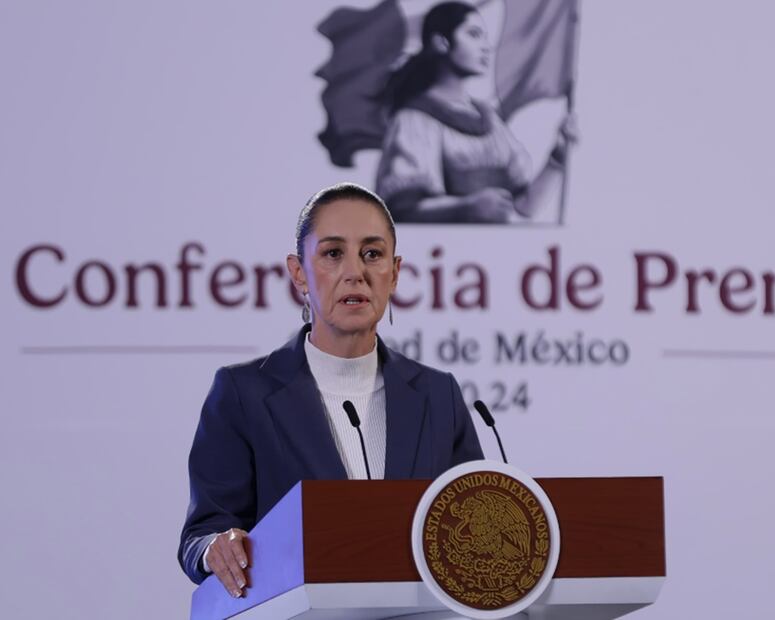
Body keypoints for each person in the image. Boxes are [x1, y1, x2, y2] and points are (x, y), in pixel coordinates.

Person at [177, 182, 484, 596]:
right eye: (333, 253)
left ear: (394, 273)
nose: (355, 272)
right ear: (299, 272)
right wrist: (215, 546)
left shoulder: (437, 394)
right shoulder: (242, 393)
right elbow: (204, 531)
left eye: (372, 254)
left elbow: (476, 522)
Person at [375, 1, 577, 224]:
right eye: (473, 34)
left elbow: (524, 207)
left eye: (484, 36)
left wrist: (557, 157)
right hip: (442, 255)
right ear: (442, 43)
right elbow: (402, 208)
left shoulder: (490, 120)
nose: (485, 47)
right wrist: (466, 208)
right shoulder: (414, 120)